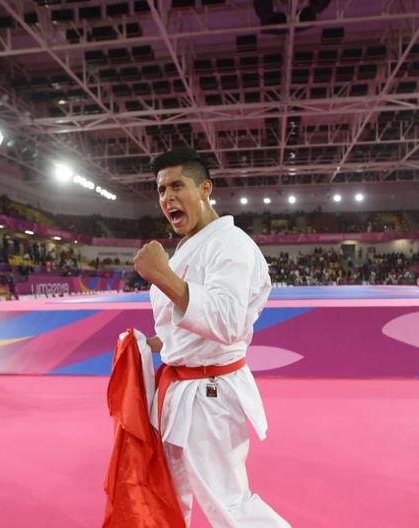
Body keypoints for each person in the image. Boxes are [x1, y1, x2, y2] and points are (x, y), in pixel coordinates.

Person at [130, 147, 289, 526]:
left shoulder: (231, 245)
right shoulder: (190, 244)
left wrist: (163, 276)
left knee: (228, 502)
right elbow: (187, 327)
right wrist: (153, 344)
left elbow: (227, 321)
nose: (167, 197)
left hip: (210, 395)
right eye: (160, 190)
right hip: (179, 389)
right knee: (168, 496)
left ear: (205, 188)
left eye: (176, 186)